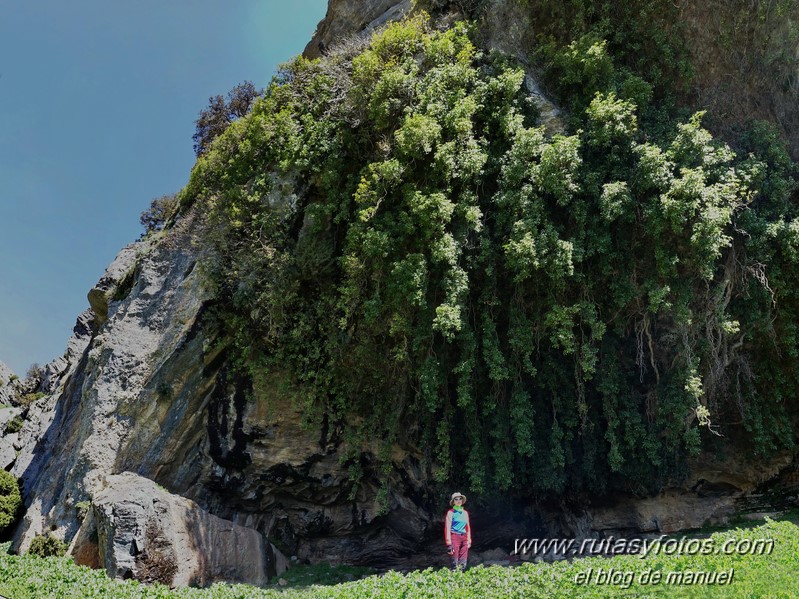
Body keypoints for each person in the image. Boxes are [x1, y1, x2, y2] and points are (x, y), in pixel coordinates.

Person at [444, 491, 471, 571]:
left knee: (463, 563)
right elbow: (447, 528)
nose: (459, 500)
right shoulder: (450, 513)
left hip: (464, 538)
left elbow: (468, 528)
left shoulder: (465, 513)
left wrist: (469, 540)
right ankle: (452, 580)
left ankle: (460, 578)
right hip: (454, 537)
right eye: (456, 499)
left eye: (460, 499)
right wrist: (449, 544)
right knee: (454, 563)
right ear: (453, 502)